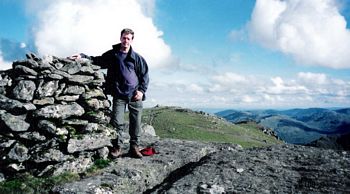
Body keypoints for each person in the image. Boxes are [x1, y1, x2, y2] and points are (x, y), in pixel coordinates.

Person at [70, 28, 149, 158]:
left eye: (128, 38)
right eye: (124, 38)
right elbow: (98, 60)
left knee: (136, 122)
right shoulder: (113, 55)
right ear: (120, 38)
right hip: (119, 94)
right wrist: (83, 56)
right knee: (117, 122)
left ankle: (134, 147)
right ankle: (116, 147)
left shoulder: (137, 58)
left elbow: (145, 75)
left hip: (135, 95)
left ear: (132, 40)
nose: (126, 41)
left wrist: (141, 91)